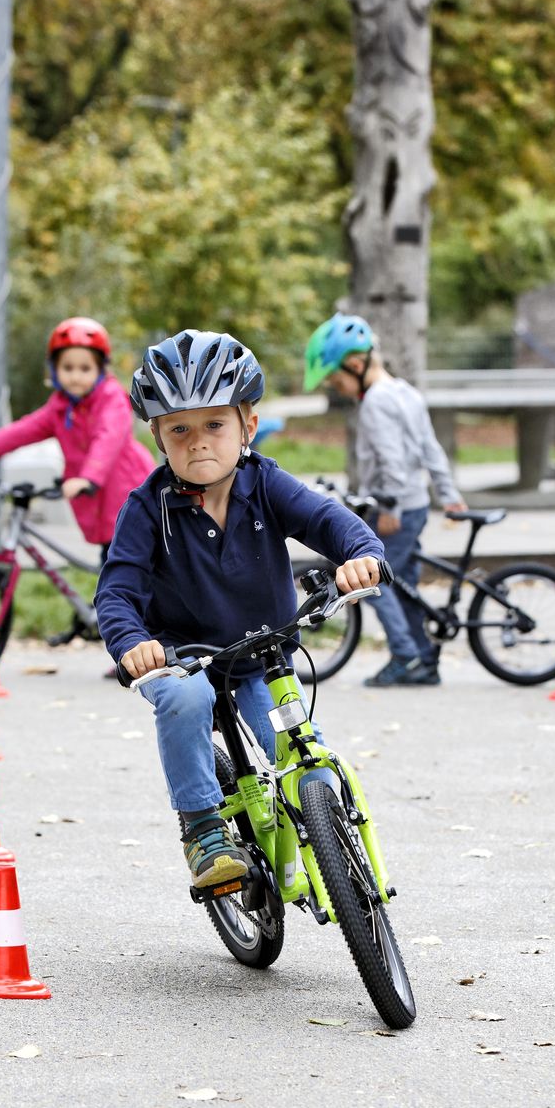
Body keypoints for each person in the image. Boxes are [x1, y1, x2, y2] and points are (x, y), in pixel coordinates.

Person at [95, 329, 384, 892]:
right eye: (179, 429)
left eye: (214, 425)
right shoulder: (145, 508)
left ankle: (333, 848)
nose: (198, 441)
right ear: (156, 435)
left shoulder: (266, 483)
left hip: (264, 656)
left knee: (307, 758)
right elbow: (118, 589)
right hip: (181, 656)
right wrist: (132, 642)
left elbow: (326, 520)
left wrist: (362, 554)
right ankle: (203, 828)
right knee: (184, 697)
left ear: (247, 426)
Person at [303, 313, 465, 687]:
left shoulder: (375, 403)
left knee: (368, 583)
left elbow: (392, 463)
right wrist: (449, 494)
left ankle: (405, 655)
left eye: (336, 379)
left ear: (356, 365)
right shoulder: (406, 392)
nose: (337, 387)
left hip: (396, 509)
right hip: (416, 504)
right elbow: (431, 448)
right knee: (403, 581)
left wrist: (388, 507)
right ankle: (424, 659)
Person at [0, 317, 154, 566]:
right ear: (54, 370)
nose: (75, 377)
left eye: (85, 368)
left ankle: (123, 604)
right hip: (94, 499)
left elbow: (108, 437)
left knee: (127, 566)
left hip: (128, 492)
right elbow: (23, 430)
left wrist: (89, 477)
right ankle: (106, 604)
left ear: (101, 369)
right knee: (109, 565)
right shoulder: (60, 407)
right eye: (67, 368)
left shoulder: (111, 399)